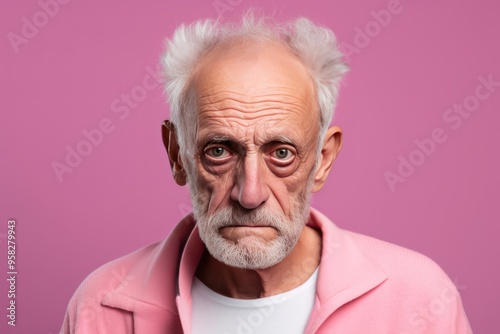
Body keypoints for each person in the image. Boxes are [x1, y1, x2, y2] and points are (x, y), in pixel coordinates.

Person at [61, 12, 472, 334]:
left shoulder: (419, 299)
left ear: (322, 160)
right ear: (177, 155)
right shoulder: (100, 305)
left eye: (281, 153)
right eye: (219, 151)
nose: (250, 193)